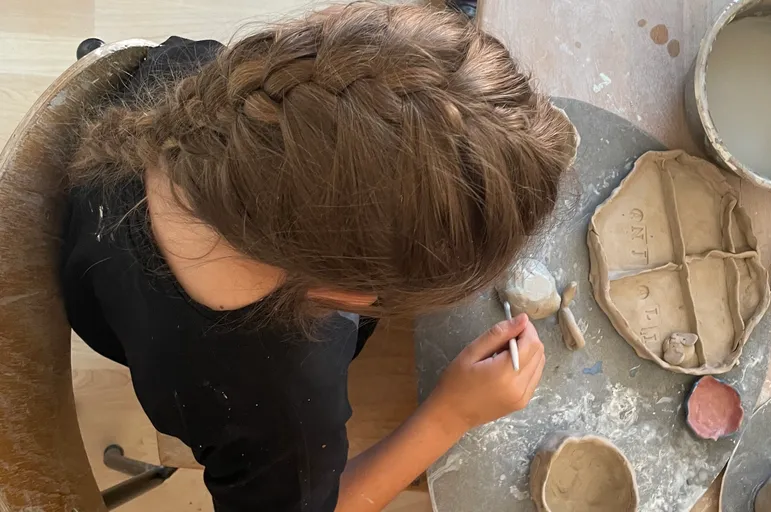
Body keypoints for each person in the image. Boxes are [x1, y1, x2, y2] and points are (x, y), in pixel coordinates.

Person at [61, 3, 576, 511]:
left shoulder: (212, 81)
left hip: (96, 248)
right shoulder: (281, 409)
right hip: (144, 340)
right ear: (346, 296)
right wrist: (451, 413)